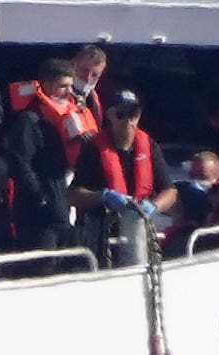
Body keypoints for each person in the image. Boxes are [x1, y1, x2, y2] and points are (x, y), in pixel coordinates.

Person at [0, 59, 81, 254]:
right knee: (42, 265)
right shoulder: (30, 121)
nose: (69, 92)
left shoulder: (66, 120)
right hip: (37, 214)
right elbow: (19, 161)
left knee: (64, 262)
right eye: (63, 86)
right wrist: (41, 196)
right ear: (46, 85)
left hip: (61, 207)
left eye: (71, 86)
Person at [74, 89, 174, 264]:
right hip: (103, 230)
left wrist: (154, 206)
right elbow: (73, 194)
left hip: (139, 226)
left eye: (133, 114)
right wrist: (102, 196)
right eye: (121, 115)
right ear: (109, 116)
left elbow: (170, 191)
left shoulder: (150, 146)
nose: (128, 120)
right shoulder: (93, 147)